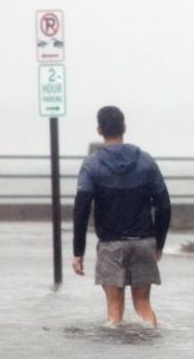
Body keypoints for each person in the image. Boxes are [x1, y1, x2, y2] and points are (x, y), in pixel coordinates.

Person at [71, 106, 171, 327]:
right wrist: (159, 243)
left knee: (114, 312)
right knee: (143, 304)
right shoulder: (146, 162)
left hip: (110, 245)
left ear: (99, 130)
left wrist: (78, 252)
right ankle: (153, 341)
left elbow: (81, 209)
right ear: (124, 128)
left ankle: (116, 358)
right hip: (144, 242)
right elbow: (164, 205)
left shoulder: (91, 165)